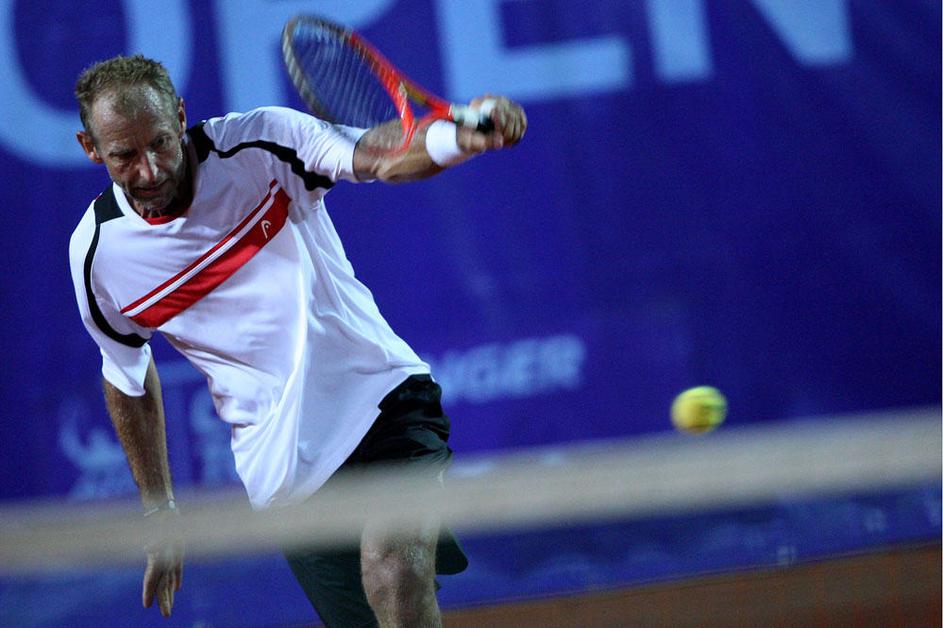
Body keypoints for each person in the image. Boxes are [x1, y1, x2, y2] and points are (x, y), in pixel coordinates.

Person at [68, 54, 526, 627]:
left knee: (392, 570)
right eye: (125, 156)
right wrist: (159, 508)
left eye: (161, 141)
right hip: (283, 468)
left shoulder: (259, 145)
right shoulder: (99, 256)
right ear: (91, 149)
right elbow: (125, 374)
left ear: (181, 116)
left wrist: (457, 138)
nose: (151, 168)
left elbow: (377, 155)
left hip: (378, 398)